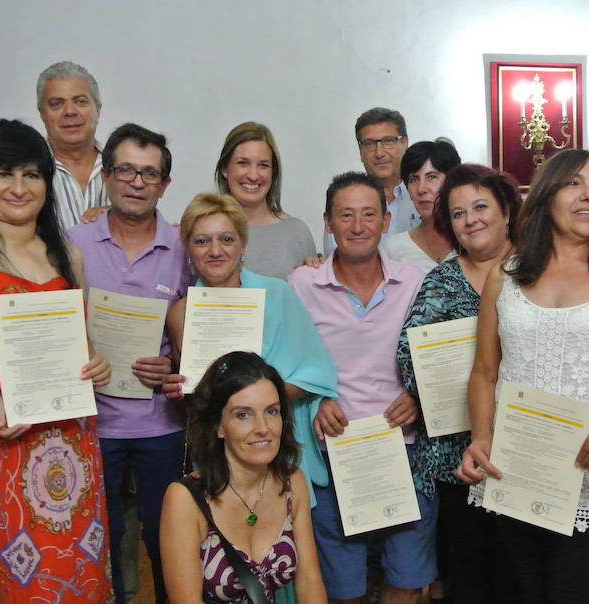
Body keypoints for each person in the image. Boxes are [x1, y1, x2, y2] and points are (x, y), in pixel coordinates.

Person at [458, 149, 589, 602]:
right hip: (518, 467)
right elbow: (483, 373)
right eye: (575, 183)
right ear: (547, 196)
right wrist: (479, 434)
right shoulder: (505, 276)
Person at [0, 119, 112, 601]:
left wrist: (95, 362)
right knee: (11, 577)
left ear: (45, 182)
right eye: (3, 174)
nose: (18, 188)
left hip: (71, 443)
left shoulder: (68, 255)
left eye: (31, 174)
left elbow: (81, 343)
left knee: (79, 568)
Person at [289, 172, 433, 604]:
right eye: (345, 215)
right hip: (334, 448)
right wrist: (316, 402)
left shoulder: (414, 281)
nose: (357, 226)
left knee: (407, 576)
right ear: (327, 224)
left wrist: (418, 396)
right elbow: (288, 360)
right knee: (342, 582)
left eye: (369, 214)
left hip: (404, 446)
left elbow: (432, 357)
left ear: (386, 220)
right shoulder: (301, 284)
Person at [66, 122, 189, 603]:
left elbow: (200, 337)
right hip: (91, 425)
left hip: (162, 425)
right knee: (100, 544)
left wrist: (173, 364)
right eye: (126, 170)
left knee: (169, 543)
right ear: (107, 174)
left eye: (149, 174)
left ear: (164, 184)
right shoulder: (71, 242)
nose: (137, 182)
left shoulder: (185, 248)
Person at [163, 192, 338, 509]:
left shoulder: (278, 294)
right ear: (188, 248)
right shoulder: (180, 313)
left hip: (277, 446)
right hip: (217, 456)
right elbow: (194, 399)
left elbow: (316, 375)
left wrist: (253, 400)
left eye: (226, 239)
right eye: (202, 241)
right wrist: (180, 391)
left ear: (242, 245)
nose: (215, 251)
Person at [396, 164, 521, 603]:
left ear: (506, 210)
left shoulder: (540, 270)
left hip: (527, 444)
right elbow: (409, 357)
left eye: (480, 206)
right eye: (458, 213)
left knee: (523, 574)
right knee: (470, 577)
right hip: (456, 454)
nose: (471, 219)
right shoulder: (442, 280)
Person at [161, 351, 326, 603]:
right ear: (218, 426)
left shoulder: (292, 481)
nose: (263, 428)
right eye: (243, 415)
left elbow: (310, 580)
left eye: (271, 411)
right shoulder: (186, 499)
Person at [215, 122, 316, 279]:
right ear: (224, 169)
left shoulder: (297, 232)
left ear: (273, 172)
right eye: (243, 163)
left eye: (263, 165)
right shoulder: (202, 230)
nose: (253, 175)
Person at [323, 107, 417, 255]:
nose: (379, 153)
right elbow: (336, 266)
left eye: (388, 141)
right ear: (360, 151)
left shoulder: (423, 197)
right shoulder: (344, 204)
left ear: (404, 143)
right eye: (369, 144)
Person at [37, 61, 108, 230]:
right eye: (57, 104)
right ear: (42, 114)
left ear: (98, 110)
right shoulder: (26, 173)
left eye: (80, 102)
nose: (70, 111)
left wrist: (123, 216)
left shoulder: (125, 168)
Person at [381, 138, 460, 273]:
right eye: (414, 179)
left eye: (431, 177)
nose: (421, 189)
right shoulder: (394, 248)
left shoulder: (470, 238)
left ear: (451, 182)